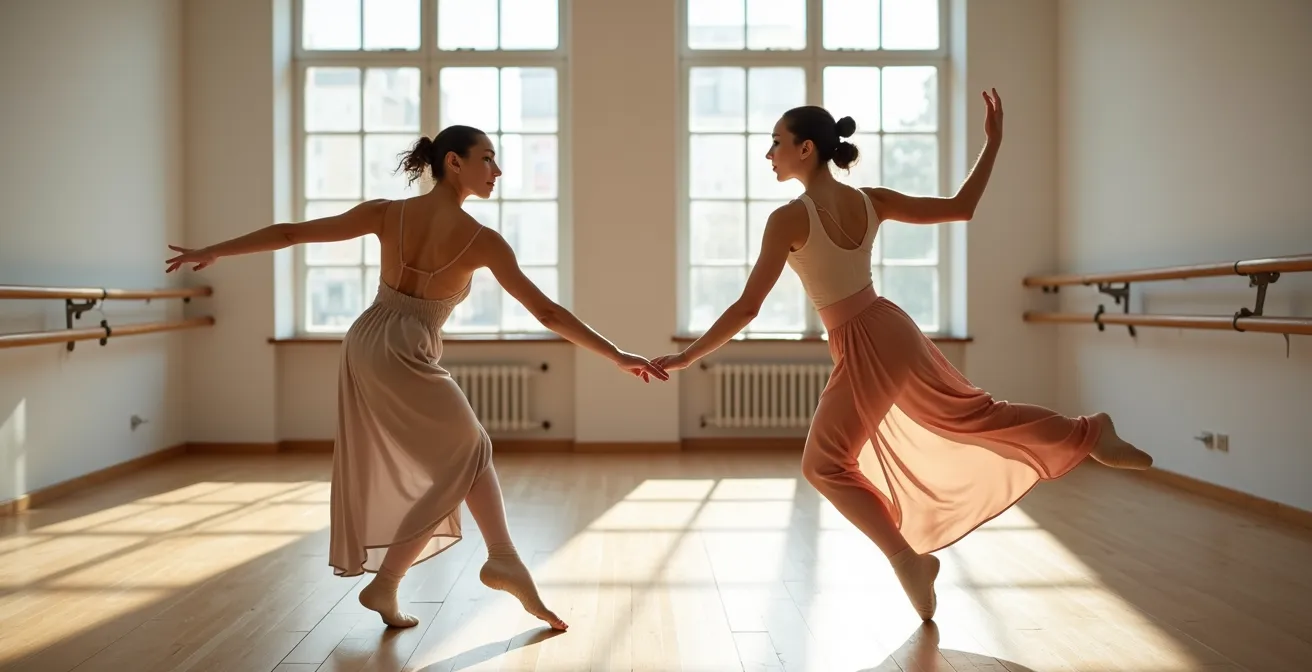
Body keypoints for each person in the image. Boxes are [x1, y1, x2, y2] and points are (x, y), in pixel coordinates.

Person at [652, 90, 1152, 621]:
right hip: (891, 327)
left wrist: (687, 357)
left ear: (805, 149)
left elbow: (748, 307)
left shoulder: (787, 219)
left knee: (824, 464)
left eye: (775, 143)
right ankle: (1089, 432)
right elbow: (963, 208)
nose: (769, 154)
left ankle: (908, 560)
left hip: (865, 339)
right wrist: (994, 144)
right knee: (975, 417)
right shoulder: (872, 199)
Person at [165, 125, 669, 630]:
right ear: (454, 163)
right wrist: (615, 354)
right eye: (488, 159)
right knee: (467, 449)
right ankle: (472, 565)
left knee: (469, 450)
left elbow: (293, 233)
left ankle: (463, 568)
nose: (497, 171)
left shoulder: (388, 213)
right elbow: (547, 313)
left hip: (367, 339)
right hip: (403, 349)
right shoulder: (482, 241)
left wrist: (214, 251)